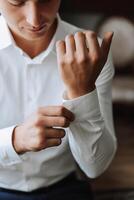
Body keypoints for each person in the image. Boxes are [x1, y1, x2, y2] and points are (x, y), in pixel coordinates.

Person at [0, 0, 117, 199]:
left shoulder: (92, 52)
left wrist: (81, 91)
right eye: (17, 2)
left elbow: (95, 167)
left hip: (65, 189)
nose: (34, 20)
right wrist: (15, 140)